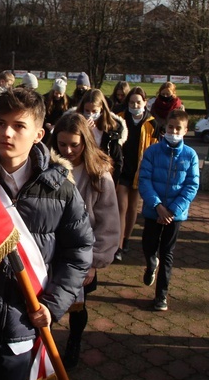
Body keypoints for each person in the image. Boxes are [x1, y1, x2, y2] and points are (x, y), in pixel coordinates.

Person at [0, 87, 93, 380]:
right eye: (1, 122)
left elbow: (78, 251)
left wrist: (53, 304)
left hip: (20, 325)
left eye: (19, 126)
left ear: (38, 134)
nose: (6, 133)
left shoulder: (60, 188)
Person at [50, 112, 120, 368]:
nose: (68, 151)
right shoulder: (48, 166)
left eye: (74, 145)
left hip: (83, 253)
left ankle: (74, 341)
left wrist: (94, 261)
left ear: (86, 142)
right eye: (62, 144)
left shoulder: (98, 174)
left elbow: (109, 222)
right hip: (52, 248)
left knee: (78, 305)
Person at [138, 109, 199, 311]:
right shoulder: (152, 152)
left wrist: (172, 209)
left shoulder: (190, 155)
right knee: (148, 245)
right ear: (165, 128)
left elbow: (192, 185)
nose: (173, 131)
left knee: (167, 252)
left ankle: (161, 295)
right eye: (170, 127)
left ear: (185, 130)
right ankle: (150, 263)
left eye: (178, 128)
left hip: (175, 214)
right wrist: (157, 206)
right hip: (153, 210)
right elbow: (144, 180)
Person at [115, 87, 158, 262]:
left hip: (140, 171)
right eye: (132, 102)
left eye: (138, 102)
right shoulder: (120, 119)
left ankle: (126, 240)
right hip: (122, 170)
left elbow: (154, 148)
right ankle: (117, 245)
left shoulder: (152, 123)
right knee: (121, 207)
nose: (135, 105)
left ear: (145, 103)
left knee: (133, 208)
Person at [76, 88, 127, 182]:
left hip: (103, 174)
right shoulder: (75, 123)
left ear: (102, 109)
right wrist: (83, 129)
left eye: (94, 111)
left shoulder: (112, 129)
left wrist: (113, 181)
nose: (90, 115)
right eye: (87, 111)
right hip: (80, 172)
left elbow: (117, 159)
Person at [42, 77, 70, 146]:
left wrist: (57, 125)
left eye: (60, 94)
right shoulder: (44, 99)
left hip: (60, 128)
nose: (58, 96)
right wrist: (46, 124)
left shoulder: (68, 101)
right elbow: (41, 114)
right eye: (56, 93)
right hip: (46, 129)